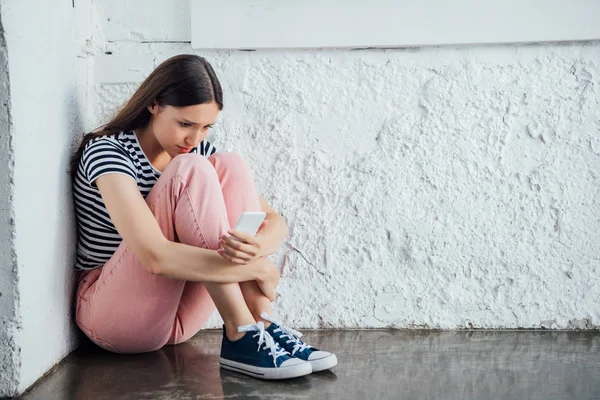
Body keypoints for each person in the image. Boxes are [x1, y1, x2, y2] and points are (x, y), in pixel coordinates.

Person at [70, 54, 337, 380]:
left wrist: (256, 248)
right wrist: (257, 266)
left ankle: (259, 323)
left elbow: (274, 221)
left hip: (175, 318)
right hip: (113, 317)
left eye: (206, 127)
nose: (194, 139)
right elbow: (154, 257)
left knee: (230, 164)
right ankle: (242, 331)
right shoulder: (108, 151)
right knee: (191, 169)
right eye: (185, 124)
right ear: (154, 105)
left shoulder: (197, 151)